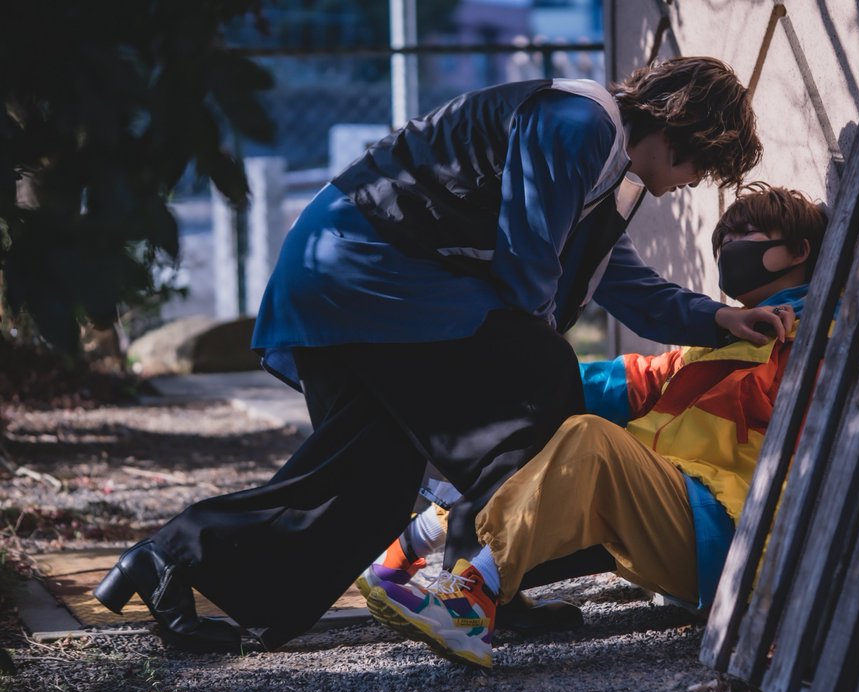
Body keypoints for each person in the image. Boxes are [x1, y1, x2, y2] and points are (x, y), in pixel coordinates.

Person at [93, 57, 781, 653]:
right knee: (538, 386)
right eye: (699, 165)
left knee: (372, 473)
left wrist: (718, 316)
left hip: (350, 278)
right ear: (683, 128)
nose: (691, 182)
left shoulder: (603, 165)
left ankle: (169, 559)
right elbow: (526, 269)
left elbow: (614, 276)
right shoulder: (582, 125)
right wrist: (529, 356)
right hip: (367, 273)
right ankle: (471, 588)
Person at [361, 183, 829, 667]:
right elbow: (627, 379)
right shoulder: (720, 340)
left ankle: (471, 601)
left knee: (591, 440)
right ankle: (399, 561)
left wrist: (795, 321)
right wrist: (505, 390)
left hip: (727, 531)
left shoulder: (818, 337)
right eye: (723, 237)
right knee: (536, 436)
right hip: (671, 513)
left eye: (746, 233)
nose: (729, 247)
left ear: (796, 251)